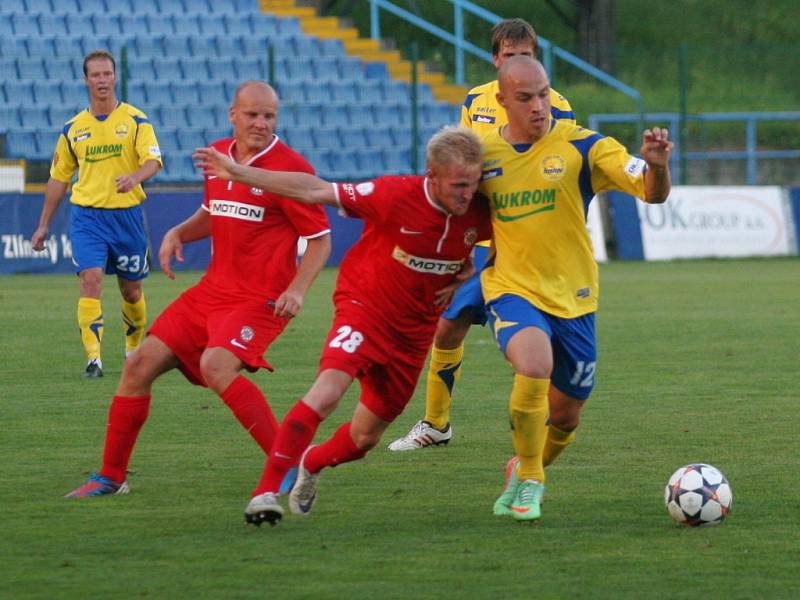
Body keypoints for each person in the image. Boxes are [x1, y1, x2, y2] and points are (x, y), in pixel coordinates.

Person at [194, 126, 492, 526]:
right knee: (328, 392)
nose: (466, 194)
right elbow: (316, 190)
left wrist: (469, 273)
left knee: (364, 440)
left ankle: (311, 463)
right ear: (432, 175)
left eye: (472, 185)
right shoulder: (394, 195)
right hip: (364, 307)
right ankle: (265, 493)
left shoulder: (478, 209)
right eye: (458, 185)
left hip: (414, 334)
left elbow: (518, 238)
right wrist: (241, 173)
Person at [64, 80, 332, 498]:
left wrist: (297, 289)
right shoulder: (219, 154)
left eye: (268, 116)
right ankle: (111, 477)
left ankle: (288, 464)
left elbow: (320, 240)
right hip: (211, 292)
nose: (260, 123)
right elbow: (214, 211)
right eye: (252, 115)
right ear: (233, 115)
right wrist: (180, 233)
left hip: (259, 300)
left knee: (216, 365)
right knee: (137, 366)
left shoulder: (289, 170)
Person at [478, 56, 672, 520]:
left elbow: (652, 191)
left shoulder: (585, 146)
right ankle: (531, 477)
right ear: (503, 101)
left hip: (575, 298)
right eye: (525, 98)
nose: (538, 106)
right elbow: (446, 208)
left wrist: (658, 166)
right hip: (511, 288)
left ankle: (523, 467)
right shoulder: (481, 154)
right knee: (533, 363)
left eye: (544, 94)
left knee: (565, 417)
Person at [388, 18, 576, 452]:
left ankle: (544, 425)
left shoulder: (557, 106)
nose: (517, 62)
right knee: (447, 325)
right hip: (483, 241)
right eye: (509, 55)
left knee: (534, 343)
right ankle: (436, 423)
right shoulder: (476, 100)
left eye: (525, 55)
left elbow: (564, 169)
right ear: (495, 59)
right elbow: (465, 162)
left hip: (528, 244)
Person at [31, 50, 162, 378]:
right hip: (87, 217)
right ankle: (94, 359)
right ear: (86, 80)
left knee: (131, 290)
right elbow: (59, 178)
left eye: (107, 74)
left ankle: (133, 352)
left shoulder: (136, 120)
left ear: (115, 77)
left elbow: (153, 161)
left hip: (127, 216)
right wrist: (43, 225)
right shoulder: (73, 129)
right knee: (90, 280)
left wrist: (135, 177)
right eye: (96, 75)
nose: (102, 80)